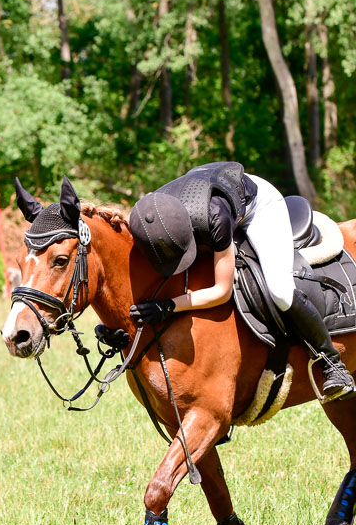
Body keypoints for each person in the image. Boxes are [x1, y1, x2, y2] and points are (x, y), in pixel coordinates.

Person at [129, 162, 354, 401]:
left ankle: (332, 363)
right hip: (207, 194)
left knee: (280, 291)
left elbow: (222, 291)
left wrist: (169, 305)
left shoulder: (216, 219)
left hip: (259, 205)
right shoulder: (147, 217)